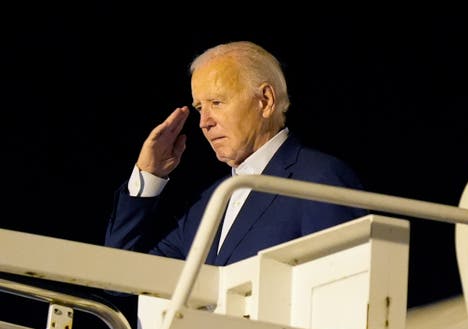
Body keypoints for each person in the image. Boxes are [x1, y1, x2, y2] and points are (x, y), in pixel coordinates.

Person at [104, 40, 368, 268]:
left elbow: (343, 290)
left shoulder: (317, 178)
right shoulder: (208, 204)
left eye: (217, 103)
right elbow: (119, 277)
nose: (203, 122)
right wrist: (149, 176)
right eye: (199, 108)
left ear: (265, 101)